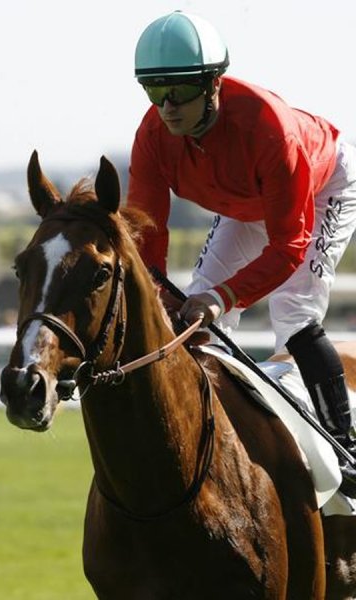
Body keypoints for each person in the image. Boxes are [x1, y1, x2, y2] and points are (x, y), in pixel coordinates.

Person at [126, 10, 356, 495]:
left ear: (214, 83)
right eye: (154, 89)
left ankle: (345, 447)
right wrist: (162, 298)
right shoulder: (151, 137)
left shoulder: (270, 129)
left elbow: (288, 246)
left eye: (180, 89)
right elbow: (147, 237)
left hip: (324, 185)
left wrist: (223, 297)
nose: (167, 106)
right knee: (195, 316)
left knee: (292, 314)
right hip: (247, 203)